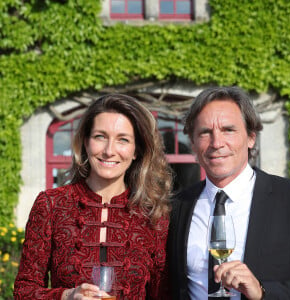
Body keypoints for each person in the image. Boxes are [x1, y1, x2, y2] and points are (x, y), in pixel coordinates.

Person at [14, 94, 173, 299]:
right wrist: (66, 296)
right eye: (100, 136)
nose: (109, 151)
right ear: (86, 143)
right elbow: (24, 291)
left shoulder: (153, 214)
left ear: (136, 151)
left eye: (123, 140)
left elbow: (164, 294)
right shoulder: (51, 204)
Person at [167, 86, 290, 299]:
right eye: (205, 132)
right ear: (192, 143)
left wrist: (262, 291)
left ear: (251, 138)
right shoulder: (176, 207)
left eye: (228, 130)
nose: (217, 143)